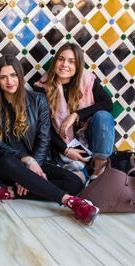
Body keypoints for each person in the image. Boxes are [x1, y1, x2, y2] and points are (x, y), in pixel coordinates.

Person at [0, 54, 99, 226]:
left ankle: (9, 192)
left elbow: (43, 139)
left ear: (20, 76)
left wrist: (32, 166)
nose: (9, 81)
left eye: (14, 75)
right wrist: (26, 160)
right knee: (8, 162)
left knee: (75, 183)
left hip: (38, 162)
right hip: (10, 165)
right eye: (3, 77)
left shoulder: (38, 100)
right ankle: (70, 202)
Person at [34, 42, 114, 182]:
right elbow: (43, 126)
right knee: (78, 182)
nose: (65, 65)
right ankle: (81, 172)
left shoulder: (87, 80)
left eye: (71, 61)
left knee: (104, 116)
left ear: (78, 66)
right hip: (64, 144)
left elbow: (107, 104)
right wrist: (65, 150)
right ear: (55, 62)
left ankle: (98, 173)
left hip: (90, 138)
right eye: (61, 59)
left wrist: (76, 115)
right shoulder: (43, 87)